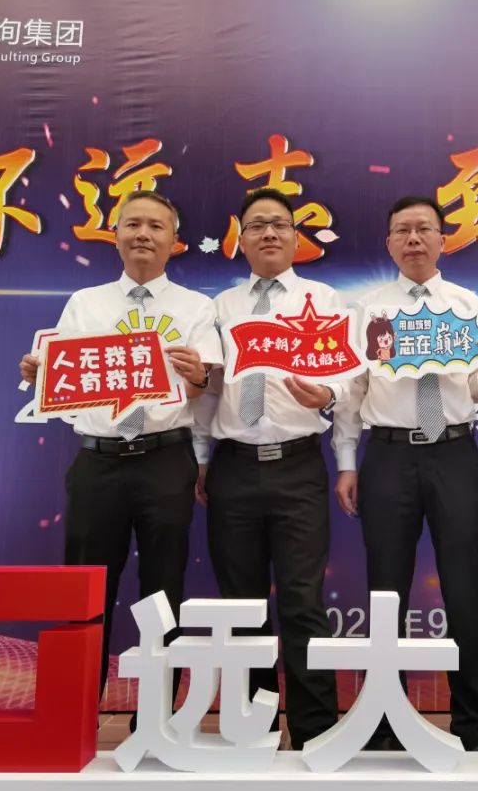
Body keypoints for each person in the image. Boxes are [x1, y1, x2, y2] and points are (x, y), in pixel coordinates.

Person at [18, 189, 221, 702]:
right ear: (115, 236)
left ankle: (156, 715)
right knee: (84, 590)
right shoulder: (85, 304)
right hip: (99, 461)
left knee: (164, 589)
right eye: (132, 224)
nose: (143, 234)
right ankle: (76, 710)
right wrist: (41, 376)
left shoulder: (197, 308)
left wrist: (198, 376)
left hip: (165, 460)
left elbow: (204, 388)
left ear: (175, 241)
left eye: (156, 226)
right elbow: (61, 379)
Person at [333, 196, 478, 752]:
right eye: (402, 230)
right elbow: (352, 391)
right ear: (389, 243)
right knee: (386, 589)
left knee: (464, 588)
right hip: (388, 455)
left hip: (453, 452)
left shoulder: (467, 304)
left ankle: (474, 726)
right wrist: (346, 462)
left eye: (423, 229)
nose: (413, 239)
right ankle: (385, 721)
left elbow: (476, 388)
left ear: (442, 240)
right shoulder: (368, 309)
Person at [193, 187, 341, 750]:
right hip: (233, 468)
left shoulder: (325, 300)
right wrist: (201, 458)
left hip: (299, 466)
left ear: (297, 238)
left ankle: (315, 733)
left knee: (303, 601)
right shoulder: (220, 308)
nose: (270, 233)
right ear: (242, 239)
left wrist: (326, 395)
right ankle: (252, 731)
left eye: (279, 224)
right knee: (242, 605)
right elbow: (207, 390)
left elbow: (346, 378)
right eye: (257, 225)